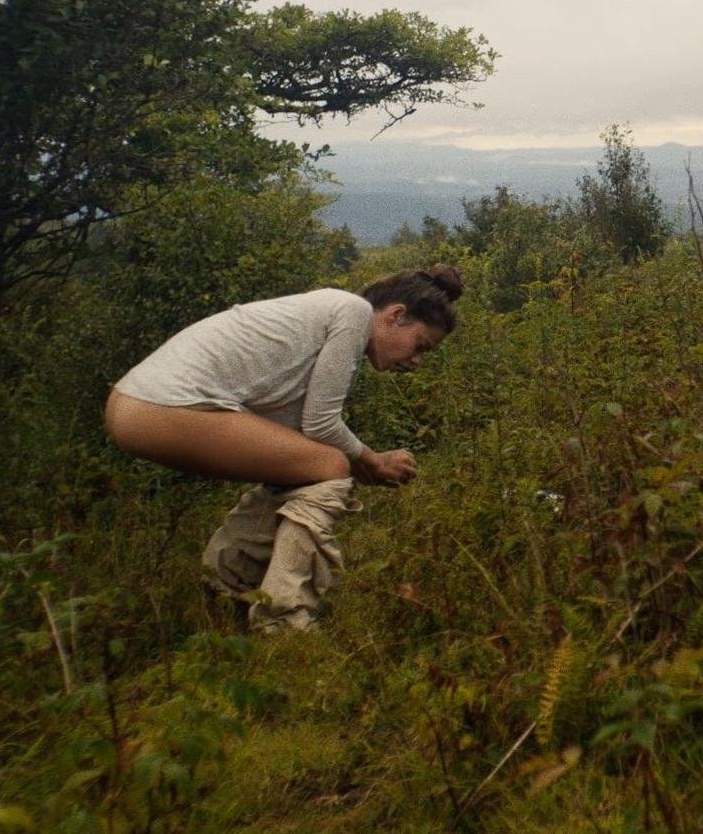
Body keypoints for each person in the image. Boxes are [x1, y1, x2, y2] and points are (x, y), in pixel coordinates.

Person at [103, 265, 462, 633]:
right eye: (420, 345)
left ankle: (225, 584)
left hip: (130, 403)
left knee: (308, 466)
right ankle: (283, 621)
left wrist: (365, 463)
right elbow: (321, 424)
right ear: (396, 315)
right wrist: (374, 461)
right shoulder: (353, 312)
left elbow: (302, 434)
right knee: (330, 466)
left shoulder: (326, 313)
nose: (417, 361)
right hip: (160, 407)